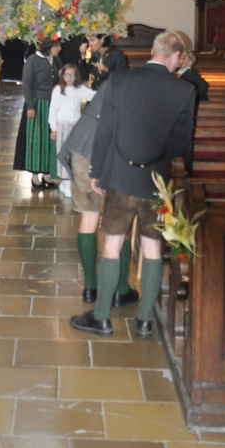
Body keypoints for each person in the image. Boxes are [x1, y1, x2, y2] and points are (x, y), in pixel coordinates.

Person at [69, 30, 195, 339]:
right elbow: (182, 144)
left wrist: (98, 171)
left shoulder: (120, 81)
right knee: (152, 246)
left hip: (121, 177)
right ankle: (145, 321)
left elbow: (105, 131)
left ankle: (101, 317)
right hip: (157, 182)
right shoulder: (184, 90)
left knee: (112, 243)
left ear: (152, 51)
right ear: (176, 57)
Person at [58, 83, 138, 309]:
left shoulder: (112, 81)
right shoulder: (139, 86)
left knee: (88, 218)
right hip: (113, 147)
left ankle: (90, 287)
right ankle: (120, 289)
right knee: (119, 221)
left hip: (83, 144)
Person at [13, 36, 62, 189]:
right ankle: (35, 177)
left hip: (52, 104)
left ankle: (47, 174)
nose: (60, 49)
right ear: (49, 47)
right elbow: (27, 84)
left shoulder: (55, 60)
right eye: (57, 46)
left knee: (49, 139)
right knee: (36, 140)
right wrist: (30, 106)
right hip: (38, 104)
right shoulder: (33, 60)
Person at [48, 64, 95, 197]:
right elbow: (53, 110)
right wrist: (53, 128)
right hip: (62, 126)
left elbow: (93, 96)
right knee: (63, 153)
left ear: (76, 77)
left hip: (75, 126)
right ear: (62, 76)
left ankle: (69, 181)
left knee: (74, 154)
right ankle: (65, 182)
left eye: (72, 75)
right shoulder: (58, 90)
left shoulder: (79, 89)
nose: (69, 78)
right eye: (66, 75)